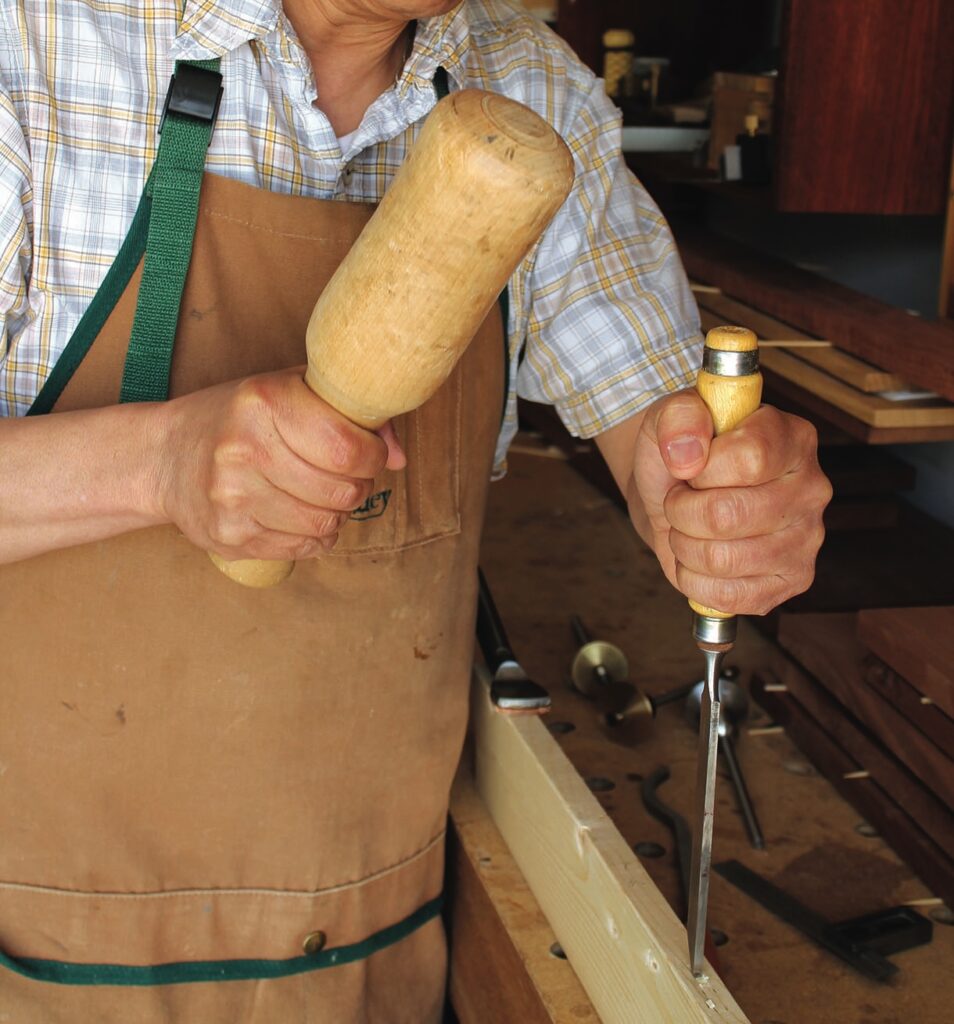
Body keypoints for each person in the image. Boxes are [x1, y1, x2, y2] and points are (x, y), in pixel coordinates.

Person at [0, 1, 831, 1020]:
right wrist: (157, 462)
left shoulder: (533, 97)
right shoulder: (34, 42)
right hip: (36, 954)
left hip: (375, 955)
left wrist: (727, 507)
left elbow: (670, 447)